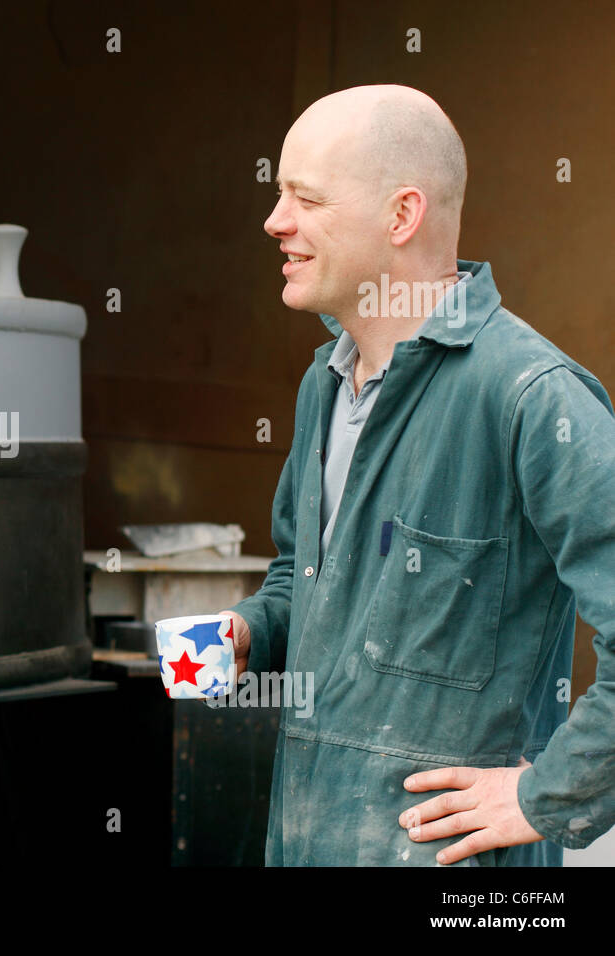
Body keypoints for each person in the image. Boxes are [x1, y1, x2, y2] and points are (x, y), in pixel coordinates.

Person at [218, 85, 614, 865]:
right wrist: (251, 635)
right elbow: (307, 587)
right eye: (278, 194)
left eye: (307, 197)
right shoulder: (322, 385)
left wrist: (547, 794)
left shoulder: (530, 397)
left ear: (402, 216)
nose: (275, 220)